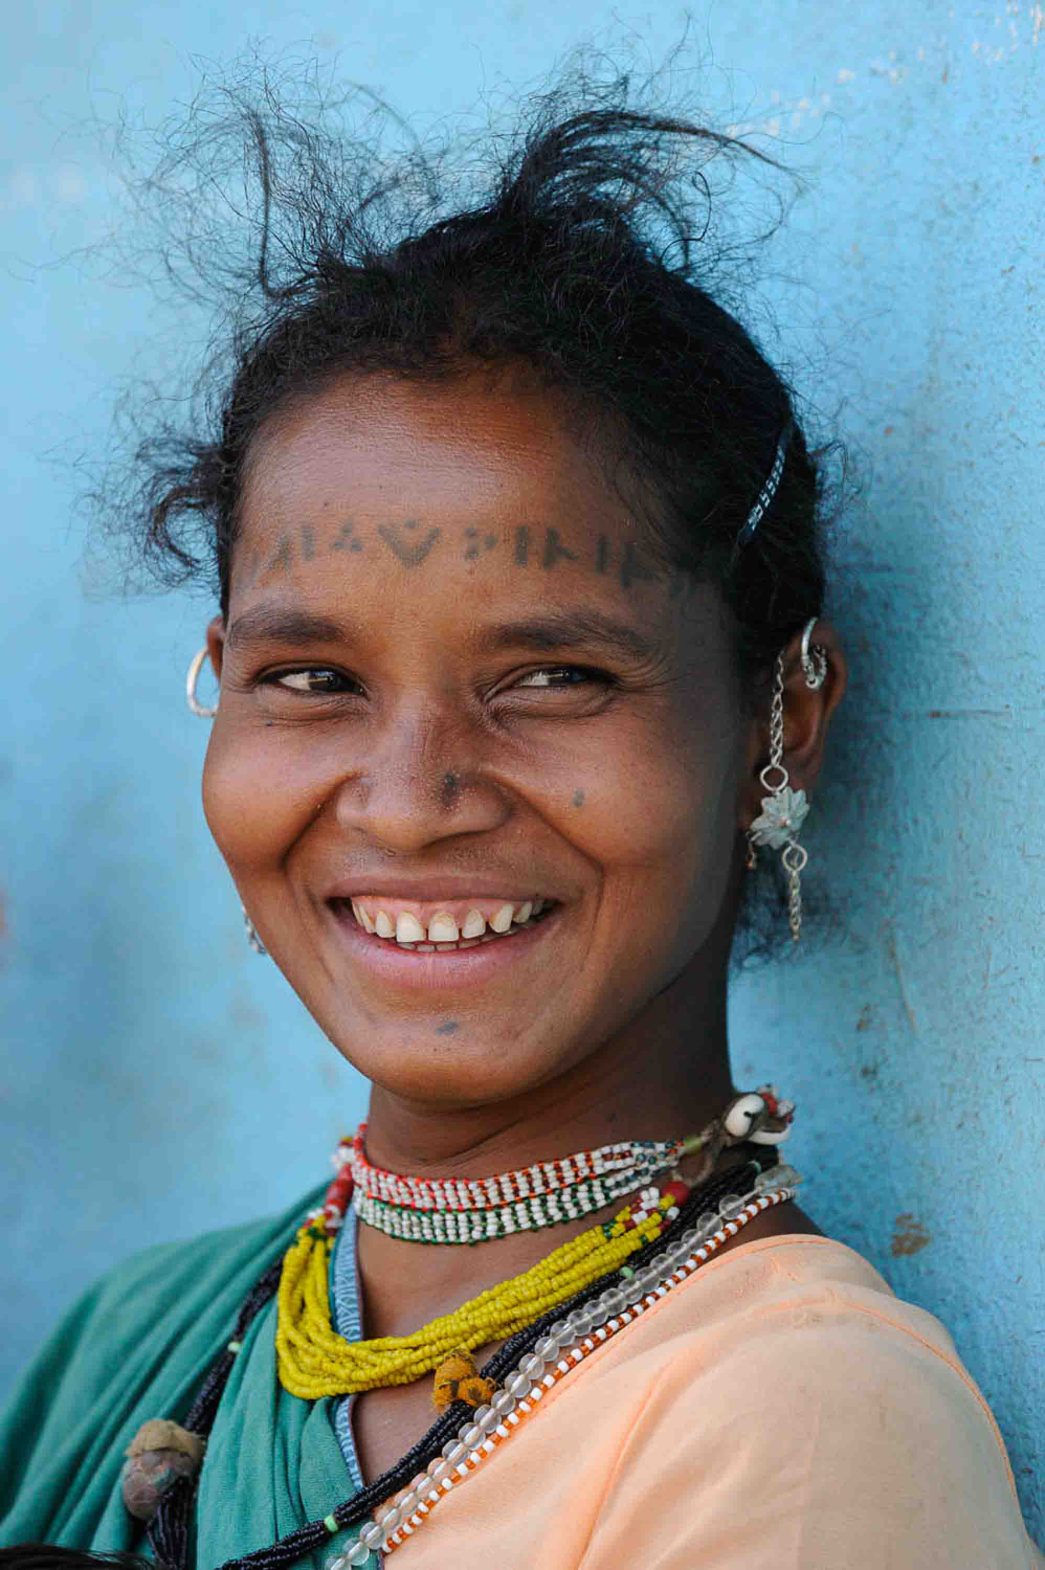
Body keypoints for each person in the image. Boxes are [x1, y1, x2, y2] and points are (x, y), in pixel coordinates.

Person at [0, 86, 1039, 1570]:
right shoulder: (146, 1341)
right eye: (312, 679)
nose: (410, 800)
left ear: (780, 717)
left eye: (553, 678)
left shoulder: (790, 1422)